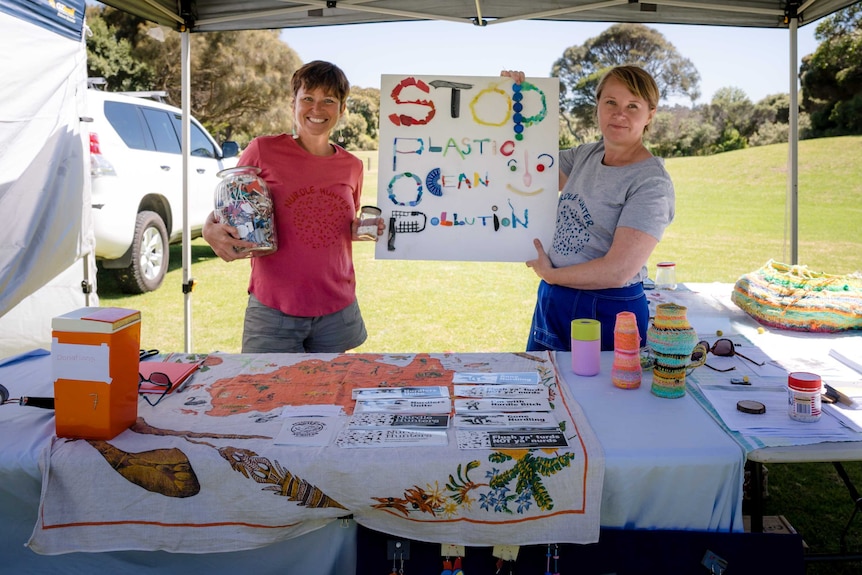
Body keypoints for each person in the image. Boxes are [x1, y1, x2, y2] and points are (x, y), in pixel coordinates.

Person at [203, 60, 383, 353]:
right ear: (293, 104)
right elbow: (230, 204)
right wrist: (209, 229)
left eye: (329, 100)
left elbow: (343, 225)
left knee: (334, 395)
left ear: (342, 108)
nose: (317, 109)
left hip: (337, 308)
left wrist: (364, 228)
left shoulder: (353, 165)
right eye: (308, 99)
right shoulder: (263, 150)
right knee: (266, 395)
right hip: (274, 310)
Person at [501, 66, 675, 352]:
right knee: (545, 391)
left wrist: (552, 275)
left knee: (600, 395)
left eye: (633, 106)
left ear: (650, 114)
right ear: (597, 106)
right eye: (611, 102)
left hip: (608, 307)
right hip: (555, 298)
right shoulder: (586, 155)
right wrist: (514, 101)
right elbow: (522, 166)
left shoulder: (651, 182)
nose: (619, 114)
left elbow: (617, 271)